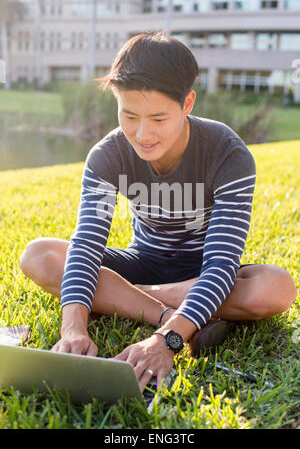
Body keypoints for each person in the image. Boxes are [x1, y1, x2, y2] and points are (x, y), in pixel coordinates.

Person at [19, 32, 297, 392]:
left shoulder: (228, 154)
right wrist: (73, 328)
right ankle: (179, 312)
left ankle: (127, 297)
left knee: (276, 288)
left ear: (188, 104)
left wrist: (167, 340)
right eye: (129, 115)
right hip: (143, 260)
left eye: (158, 119)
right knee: (39, 255)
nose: (142, 134)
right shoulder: (107, 156)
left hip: (203, 270)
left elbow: (221, 264)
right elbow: (87, 243)